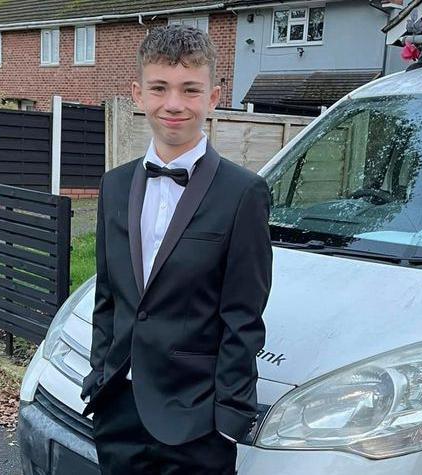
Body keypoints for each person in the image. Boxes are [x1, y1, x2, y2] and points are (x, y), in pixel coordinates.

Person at [80, 24, 273, 475]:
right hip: (120, 412)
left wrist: (228, 419)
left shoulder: (243, 193)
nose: (173, 104)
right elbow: (108, 297)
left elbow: (243, 316)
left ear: (213, 96)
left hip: (196, 423)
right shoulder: (115, 185)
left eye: (190, 89)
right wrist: (99, 378)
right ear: (137, 94)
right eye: (159, 88)